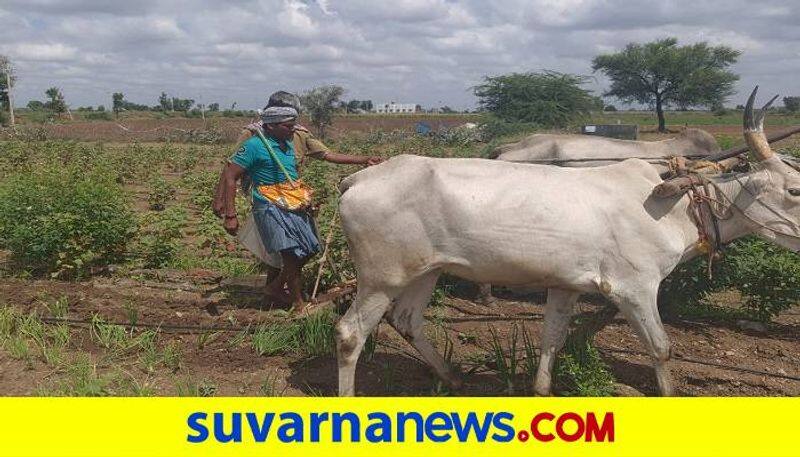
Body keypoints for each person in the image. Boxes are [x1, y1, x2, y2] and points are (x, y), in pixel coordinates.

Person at [216, 100, 380, 313]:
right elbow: (230, 176)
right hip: (269, 204)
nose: (293, 129)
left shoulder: (288, 142)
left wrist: (364, 159)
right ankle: (297, 303)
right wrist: (230, 214)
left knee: (310, 249)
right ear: (271, 125)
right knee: (291, 255)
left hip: (294, 201)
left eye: (293, 124)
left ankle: (275, 287)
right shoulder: (254, 145)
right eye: (288, 125)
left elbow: (327, 154)